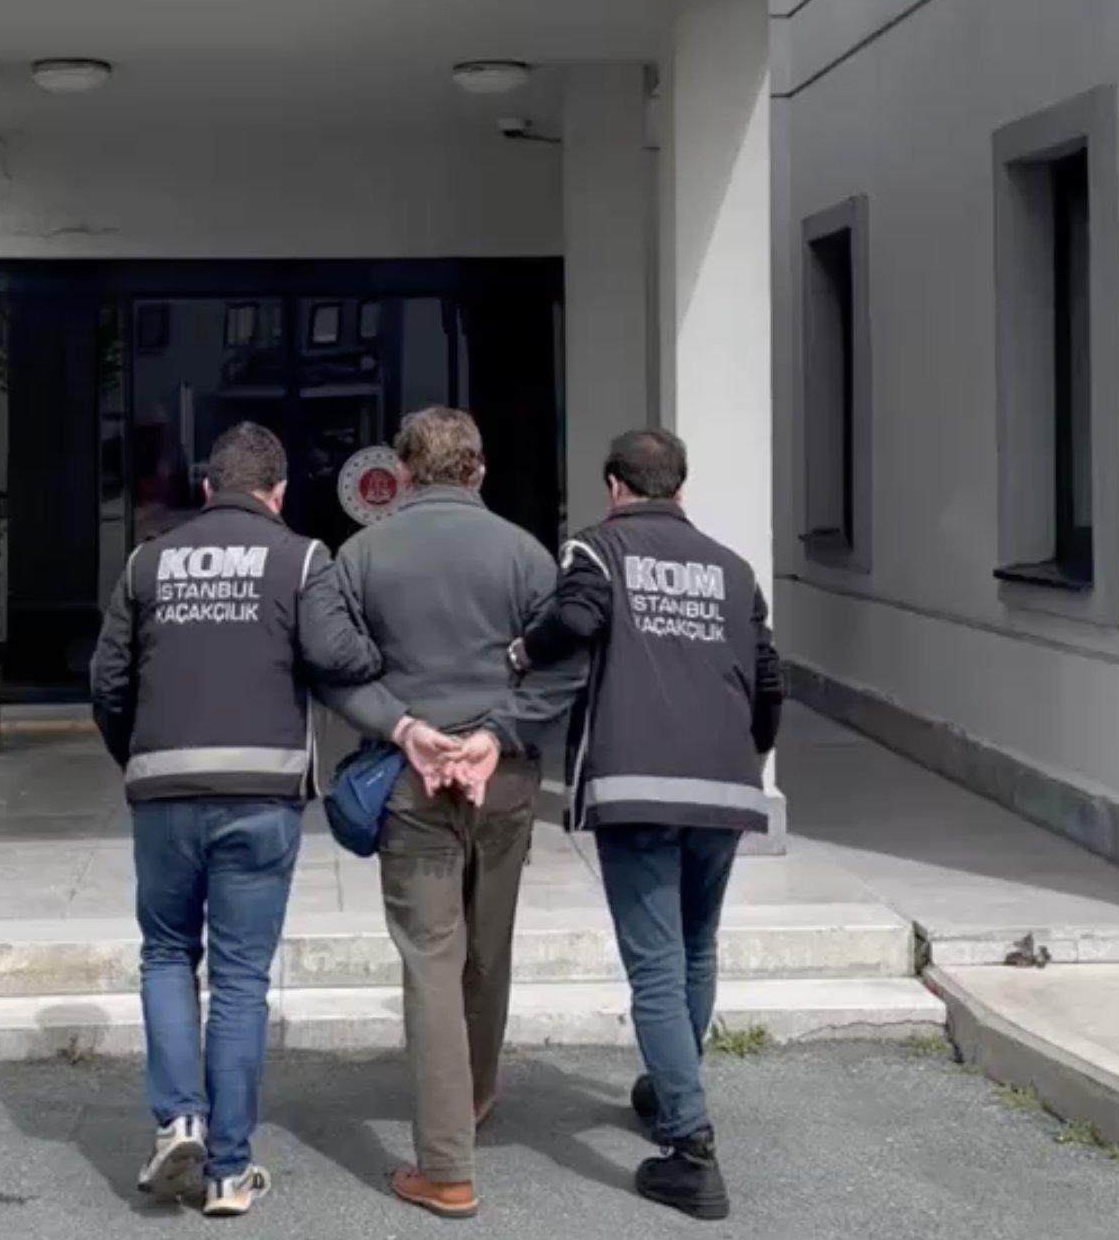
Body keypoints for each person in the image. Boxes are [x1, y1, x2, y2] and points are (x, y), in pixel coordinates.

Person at [90, 420, 383, 1218]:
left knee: (165, 955)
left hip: (164, 790)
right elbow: (340, 660)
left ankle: (176, 1120)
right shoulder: (302, 558)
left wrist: (140, 757)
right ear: (279, 493)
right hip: (261, 792)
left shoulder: (149, 558)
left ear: (208, 486)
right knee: (242, 982)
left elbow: (108, 677)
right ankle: (228, 1170)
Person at [509, 428, 783, 1223]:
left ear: (613, 485)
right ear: (680, 488)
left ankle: (690, 1150)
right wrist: (748, 756)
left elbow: (581, 620)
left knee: (656, 963)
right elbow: (771, 677)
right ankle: (672, 1086)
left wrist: (524, 651)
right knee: (696, 944)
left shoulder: (595, 552)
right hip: (725, 787)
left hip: (636, 784)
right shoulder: (733, 570)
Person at [318, 407, 578, 1222]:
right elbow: (568, 664)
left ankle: (446, 1168)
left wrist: (408, 728)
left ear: (400, 472)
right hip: (501, 779)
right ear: (480, 469)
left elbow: (329, 665)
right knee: (487, 946)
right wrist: (496, 736)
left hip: (410, 778)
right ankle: (474, 1095)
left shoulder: (360, 554)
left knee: (432, 957)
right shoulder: (526, 554)